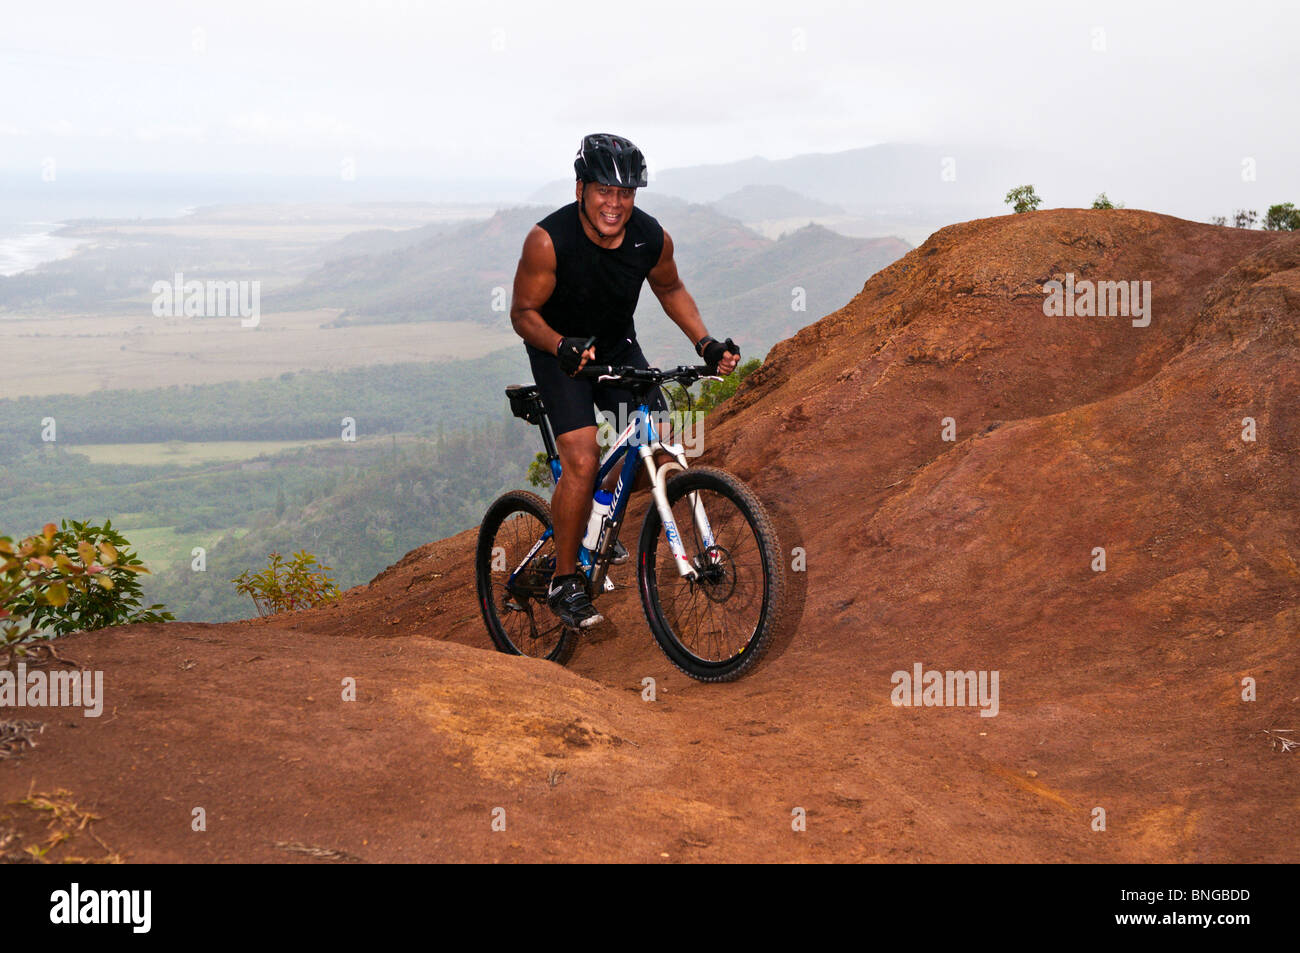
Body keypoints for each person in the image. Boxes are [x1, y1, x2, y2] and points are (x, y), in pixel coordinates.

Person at [509, 132, 739, 630]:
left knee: (656, 449)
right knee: (583, 457)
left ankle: (596, 515)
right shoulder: (548, 241)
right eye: (604, 191)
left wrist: (706, 344)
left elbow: (671, 287)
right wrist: (559, 345)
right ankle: (565, 581)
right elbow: (523, 313)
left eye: (626, 192)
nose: (615, 203)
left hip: (615, 348)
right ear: (581, 190)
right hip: (559, 351)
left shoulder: (649, 237)